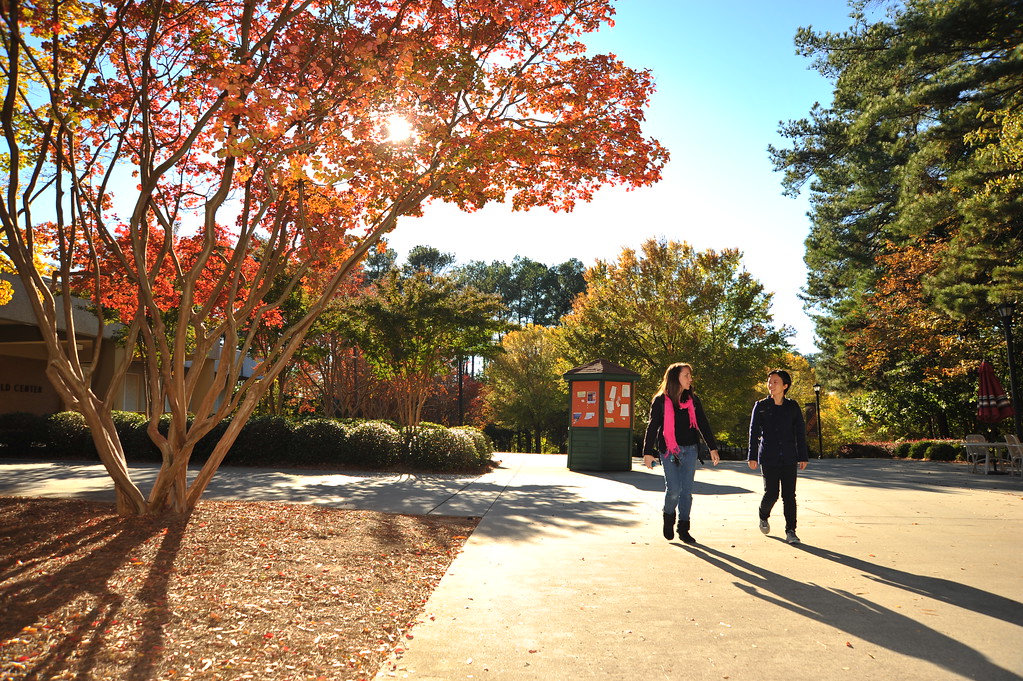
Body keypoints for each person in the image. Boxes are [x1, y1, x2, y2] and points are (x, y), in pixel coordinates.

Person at [642, 362, 720, 543]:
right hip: (669, 451)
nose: (690, 379)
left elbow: (702, 423)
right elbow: (653, 426)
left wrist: (712, 447)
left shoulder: (693, 399)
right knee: (674, 489)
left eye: (690, 375)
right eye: (686, 375)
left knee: (686, 491)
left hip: (691, 449)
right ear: (675, 377)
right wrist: (647, 452)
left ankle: (683, 528)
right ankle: (668, 517)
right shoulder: (660, 400)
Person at [747, 369, 809, 544]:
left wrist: (802, 456)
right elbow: (753, 433)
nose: (771, 385)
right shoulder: (761, 406)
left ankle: (791, 531)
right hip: (768, 457)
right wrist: (752, 456)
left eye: (775, 382)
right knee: (772, 493)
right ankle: (763, 514)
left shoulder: (792, 407)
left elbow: (800, 433)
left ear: (785, 386)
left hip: (789, 457)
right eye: (769, 381)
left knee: (789, 495)